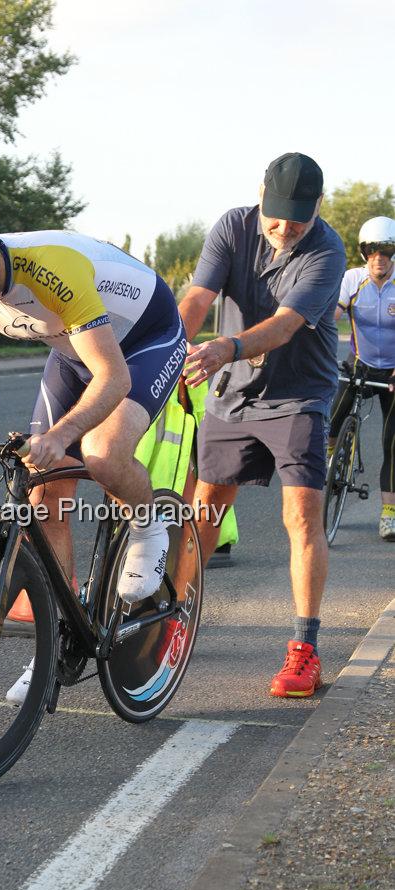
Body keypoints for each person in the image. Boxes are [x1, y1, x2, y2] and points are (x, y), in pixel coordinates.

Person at [0, 184, 187, 702]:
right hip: (76, 351)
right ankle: (59, 640)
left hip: (144, 341)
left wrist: (62, 434)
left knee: (100, 454)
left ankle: (150, 525)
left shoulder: (51, 267)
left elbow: (114, 378)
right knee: (42, 492)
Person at [178, 153, 346, 698]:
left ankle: (304, 650)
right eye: (275, 216)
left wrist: (225, 346)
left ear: (317, 206)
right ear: (260, 197)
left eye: (296, 217)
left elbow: (284, 325)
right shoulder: (233, 225)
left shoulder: (327, 250)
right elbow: (199, 298)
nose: (284, 227)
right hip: (231, 396)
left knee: (300, 515)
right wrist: (170, 344)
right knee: (206, 505)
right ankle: (177, 620)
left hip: (299, 395)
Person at [329, 216, 395, 540]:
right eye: (372, 250)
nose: (379, 257)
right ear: (364, 252)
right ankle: (331, 460)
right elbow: (332, 317)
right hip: (360, 365)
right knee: (332, 417)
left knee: (392, 441)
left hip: (394, 372)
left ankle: (389, 514)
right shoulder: (352, 280)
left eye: (386, 250)